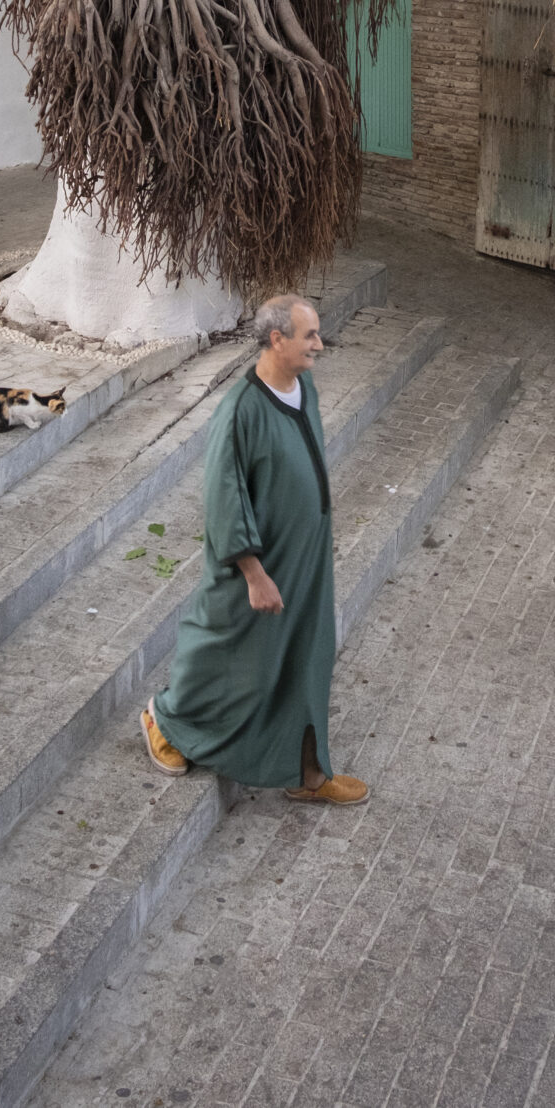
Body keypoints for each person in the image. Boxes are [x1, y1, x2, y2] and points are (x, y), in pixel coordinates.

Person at [142, 292, 368, 804]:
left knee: (305, 656)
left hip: (305, 560)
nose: (320, 345)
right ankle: (165, 718)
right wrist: (253, 573)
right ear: (276, 339)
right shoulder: (239, 412)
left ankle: (308, 773)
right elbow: (224, 498)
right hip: (257, 566)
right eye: (309, 335)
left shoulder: (303, 386)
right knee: (222, 648)